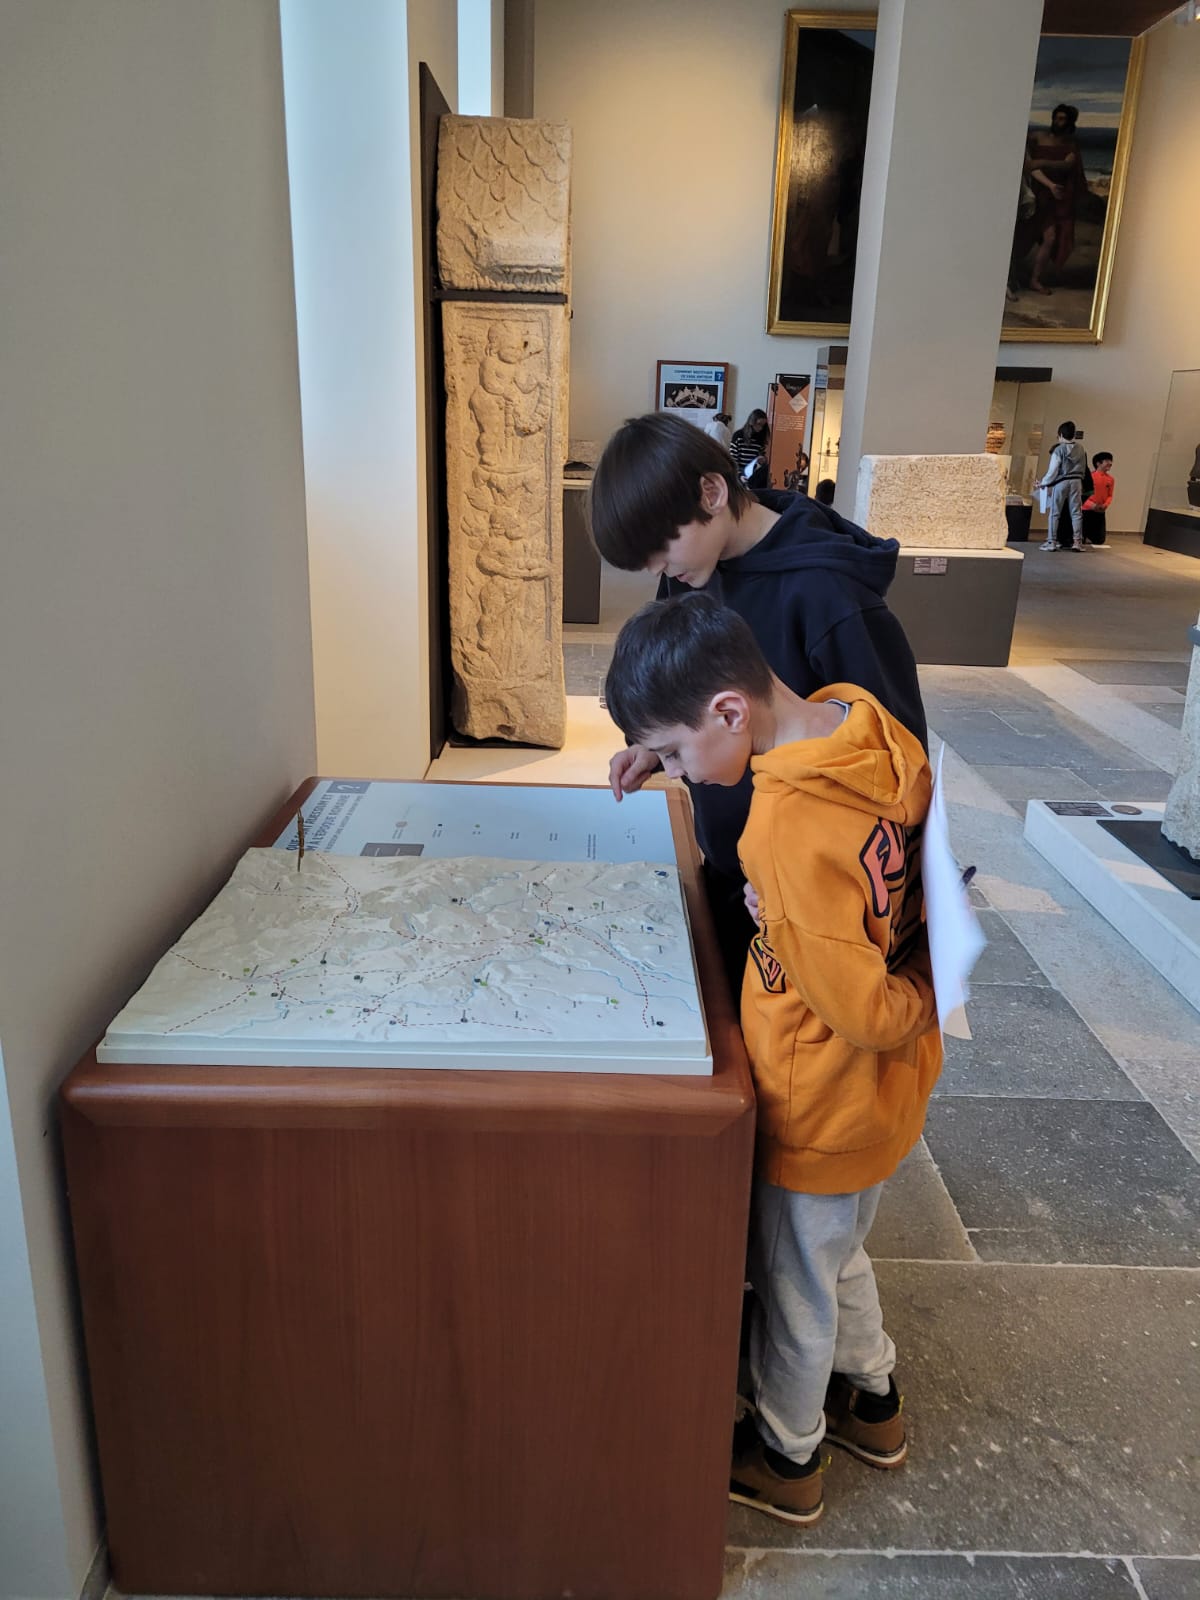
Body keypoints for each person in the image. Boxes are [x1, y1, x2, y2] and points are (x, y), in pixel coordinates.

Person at [603, 594, 942, 1527]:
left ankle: (789, 1454)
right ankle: (872, 1400)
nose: (677, 772)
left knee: (794, 1288)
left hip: (820, 1097)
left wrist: (923, 989)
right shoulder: (859, 720)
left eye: (675, 753)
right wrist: (799, 916)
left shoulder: (783, 830)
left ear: (728, 710)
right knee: (837, 1253)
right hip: (881, 1099)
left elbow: (866, 1012)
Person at [589, 411, 926, 995]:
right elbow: (680, 687)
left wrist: (817, 882)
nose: (660, 571)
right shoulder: (695, 568)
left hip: (813, 897)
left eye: (662, 552)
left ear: (712, 494)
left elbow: (896, 763)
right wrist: (654, 746)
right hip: (736, 869)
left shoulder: (830, 595)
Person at [1023, 104, 1084, 296]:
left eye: (1062, 119)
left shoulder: (1071, 146)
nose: (1058, 122)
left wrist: (1043, 163)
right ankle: (1016, 277)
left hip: (1056, 197)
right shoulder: (1037, 137)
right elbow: (1028, 164)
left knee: (1050, 238)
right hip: (1035, 194)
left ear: (1069, 122)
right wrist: (1049, 165)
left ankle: (1034, 280)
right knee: (1026, 237)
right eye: (1056, 118)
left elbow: (1068, 168)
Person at [1036, 420, 1088, 552]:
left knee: (1055, 512)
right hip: (1077, 482)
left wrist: (1043, 482)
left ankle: (1051, 542)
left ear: (1060, 435)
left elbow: (1053, 471)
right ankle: (1077, 542)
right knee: (1076, 512)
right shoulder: (1081, 449)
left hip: (1062, 482)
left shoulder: (1059, 449)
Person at [730, 408, 771, 490]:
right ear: (752, 422)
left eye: (763, 425)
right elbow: (733, 460)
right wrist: (739, 475)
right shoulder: (738, 436)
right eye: (759, 424)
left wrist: (762, 460)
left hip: (754, 473)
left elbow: (761, 457)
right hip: (740, 471)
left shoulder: (760, 438)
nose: (760, 428)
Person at [1082, 452, 1114, 546]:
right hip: (1087, 510)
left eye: (1111, 461)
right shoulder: (1089, 477)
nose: (1110, 463)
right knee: (1082, 536)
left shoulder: (1111, 479)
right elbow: (1082, 494)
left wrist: (1105, 505)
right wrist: (1091, 505)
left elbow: (1110, 495)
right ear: (1098, 463)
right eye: (1107, 460)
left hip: (1100, 510)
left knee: (1099, 540)